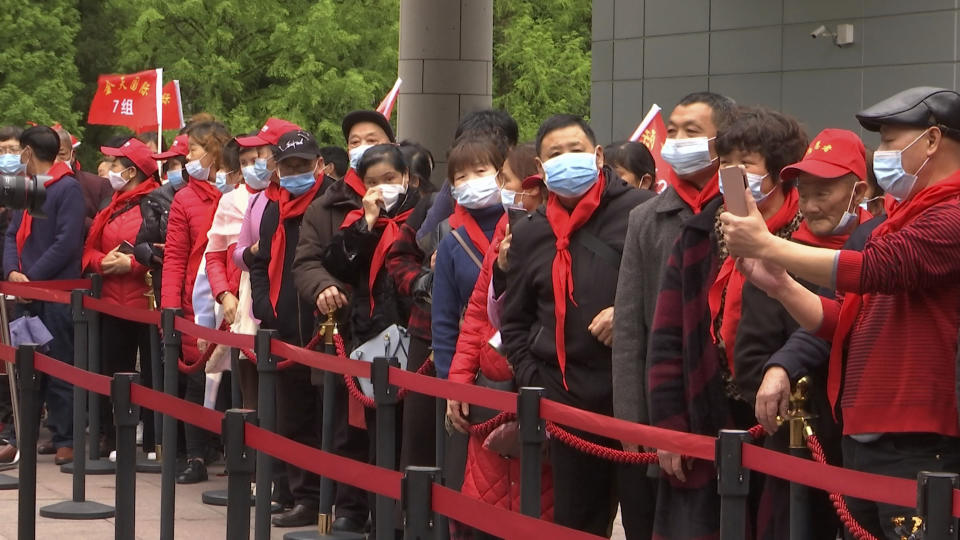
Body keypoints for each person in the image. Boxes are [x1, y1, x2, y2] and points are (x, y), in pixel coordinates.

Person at [721, 87, 960, 540]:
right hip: (867, 432)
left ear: (932, 140)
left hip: (922, 438)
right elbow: (843, 321)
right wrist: (782, 285)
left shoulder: (951, 211)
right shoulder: (899, 217)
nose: (881, 154)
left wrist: (769, 244)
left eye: (890, 141)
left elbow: (876, 269)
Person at [646, 106, 807, 539]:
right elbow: (665, 340)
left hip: (782, 424)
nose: (733, 174)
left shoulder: (805, 238)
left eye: (747, 164)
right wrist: (668, 426)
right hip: (706, 414)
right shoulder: (699, 234)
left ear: (780, 173)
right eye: (728, 162)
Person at [501, 114, 653, 536]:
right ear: (542, 170)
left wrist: (628, 315)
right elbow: (514, 321)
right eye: (555, 154)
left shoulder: (641, 213)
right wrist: (537, 381)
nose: (568, 160)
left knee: (646, 520)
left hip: (635, 401)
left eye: (577, 150)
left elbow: (670, 298)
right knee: (577, 523)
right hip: (567, 403)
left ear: (598, 155)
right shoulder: (530, 232)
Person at [611, 92, 735, 539]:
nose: (677, 140)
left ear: (722, 142)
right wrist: (631, 415)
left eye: (692, 132)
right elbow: (629, 323)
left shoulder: (742, 210)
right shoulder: (647, 218)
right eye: (675, 130)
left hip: (730, 402)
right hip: (667, 400)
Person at [292, 110, 394, 534]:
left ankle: (389, 511)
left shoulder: (410, 197)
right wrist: (322, 289)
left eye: (372, 138)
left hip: (393, 335)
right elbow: (307, 263)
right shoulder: (326, 205)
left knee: (390, 429)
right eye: (354, 140)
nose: (362, 146)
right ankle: (350, 509)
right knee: (345, 428)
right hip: (342, 331)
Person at [445, 142, 553, 520]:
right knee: (486, 505)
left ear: (532, 185)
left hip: (539, 384)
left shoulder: (558, 231)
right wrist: (458, 381)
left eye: (504, 178)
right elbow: (478, 313)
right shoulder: (506, 228)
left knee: (540, 506)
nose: (498, 186)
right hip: (491, 385)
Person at [251, 129, 334, 528]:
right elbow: (260, 259)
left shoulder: (332, 202)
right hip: (283, 329)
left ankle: (324, 500)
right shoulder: (273, 207)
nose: (296, 172)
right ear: (279, 171)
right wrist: (266, 307)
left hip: (326, 331)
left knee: (327, 419)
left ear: (319, 165)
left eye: (303, 165)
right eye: (288, 167)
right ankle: (298, 494)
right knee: (291, 419)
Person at [0, 126, 85, 466]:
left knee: (61, 364)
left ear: (30, 152)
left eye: (21, 151)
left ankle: (67, 438)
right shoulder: (27, 186)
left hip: (55, 293)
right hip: (24, 293)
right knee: (26, 369)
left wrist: (31, 276)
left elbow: (66, 243)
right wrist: (11, 273)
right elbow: (10, 233)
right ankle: (22, 436)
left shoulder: (68, 188)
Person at [161, 121, 232, 484]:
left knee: (236, 382)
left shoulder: (240, 191)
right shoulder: (185, 198)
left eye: (193, 150)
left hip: (238, 302)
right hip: (198, 302)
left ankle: (237, 456)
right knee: (197, 380)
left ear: (216, 150)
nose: (187, 158)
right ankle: (195, 456)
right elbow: (175, 256)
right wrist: (171, 306)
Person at [83, 138, 159, 454]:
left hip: (148, 304)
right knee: (110, 371)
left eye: (115, 164)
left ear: (130, 171)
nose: (110, 170)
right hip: (111, 301)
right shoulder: (108, 205)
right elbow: (88, 249)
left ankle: (156, 441)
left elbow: (168, 249)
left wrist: (135, 263)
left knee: (154, 376)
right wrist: (103, 263)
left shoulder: (158, 203)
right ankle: (111, 439)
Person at [417, 110, 519, 250]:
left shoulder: (523, 209)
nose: (471, 181)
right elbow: (424, 239)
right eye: (461, 176)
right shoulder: (447, 229)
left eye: (480, 170)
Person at [54, 126, 112, 230]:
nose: (55, 161)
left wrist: (73, 217)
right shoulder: (33, 185)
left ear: (72, 155)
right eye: (49, 155)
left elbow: (107, 229)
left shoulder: (98, 186)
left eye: (61, 155)